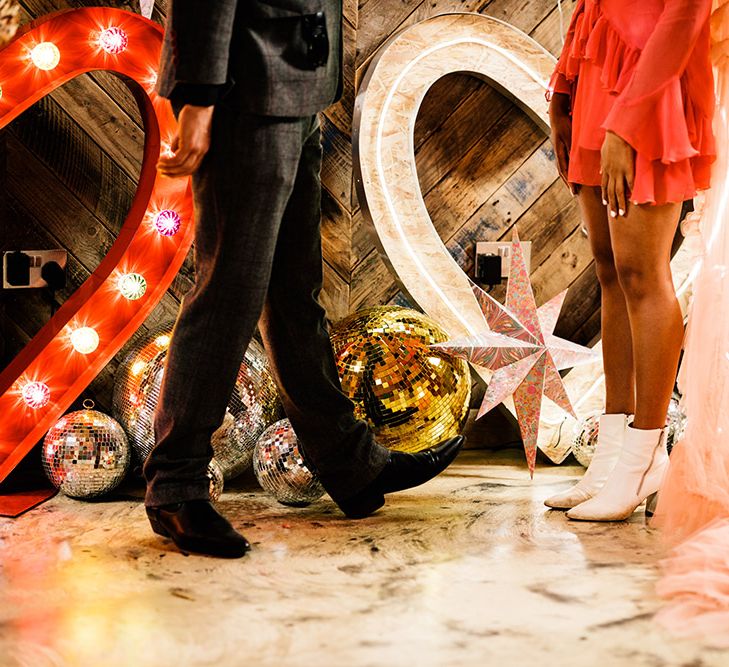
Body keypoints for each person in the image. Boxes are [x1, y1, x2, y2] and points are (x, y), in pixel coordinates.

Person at [143, 0, 464, 558]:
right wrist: (197, 96)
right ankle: (175, 485)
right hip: (245, 87)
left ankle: (350, 463)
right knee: (228, 293)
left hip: (298, 83)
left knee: (293, 297)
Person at [543, 0, 715, 520]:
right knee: (610, 271)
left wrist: (628, 121)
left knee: (643, 274)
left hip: (648, 88)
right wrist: (564, 87)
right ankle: (610, 456)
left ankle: (644, 457)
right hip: (597, 73)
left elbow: (685, 14)